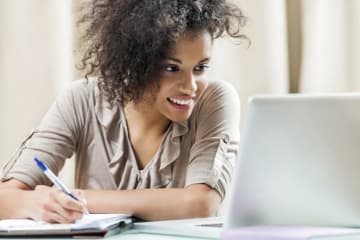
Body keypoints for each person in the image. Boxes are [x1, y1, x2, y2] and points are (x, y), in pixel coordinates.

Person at [0, 0, 246, 223]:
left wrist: (75, 199)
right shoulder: (82, 99)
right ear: (134, 65)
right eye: (171, 68)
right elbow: (5, 198)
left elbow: (200, 203)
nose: (191, 86)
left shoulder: (213, 100)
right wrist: (34, 203)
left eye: (200, 67)